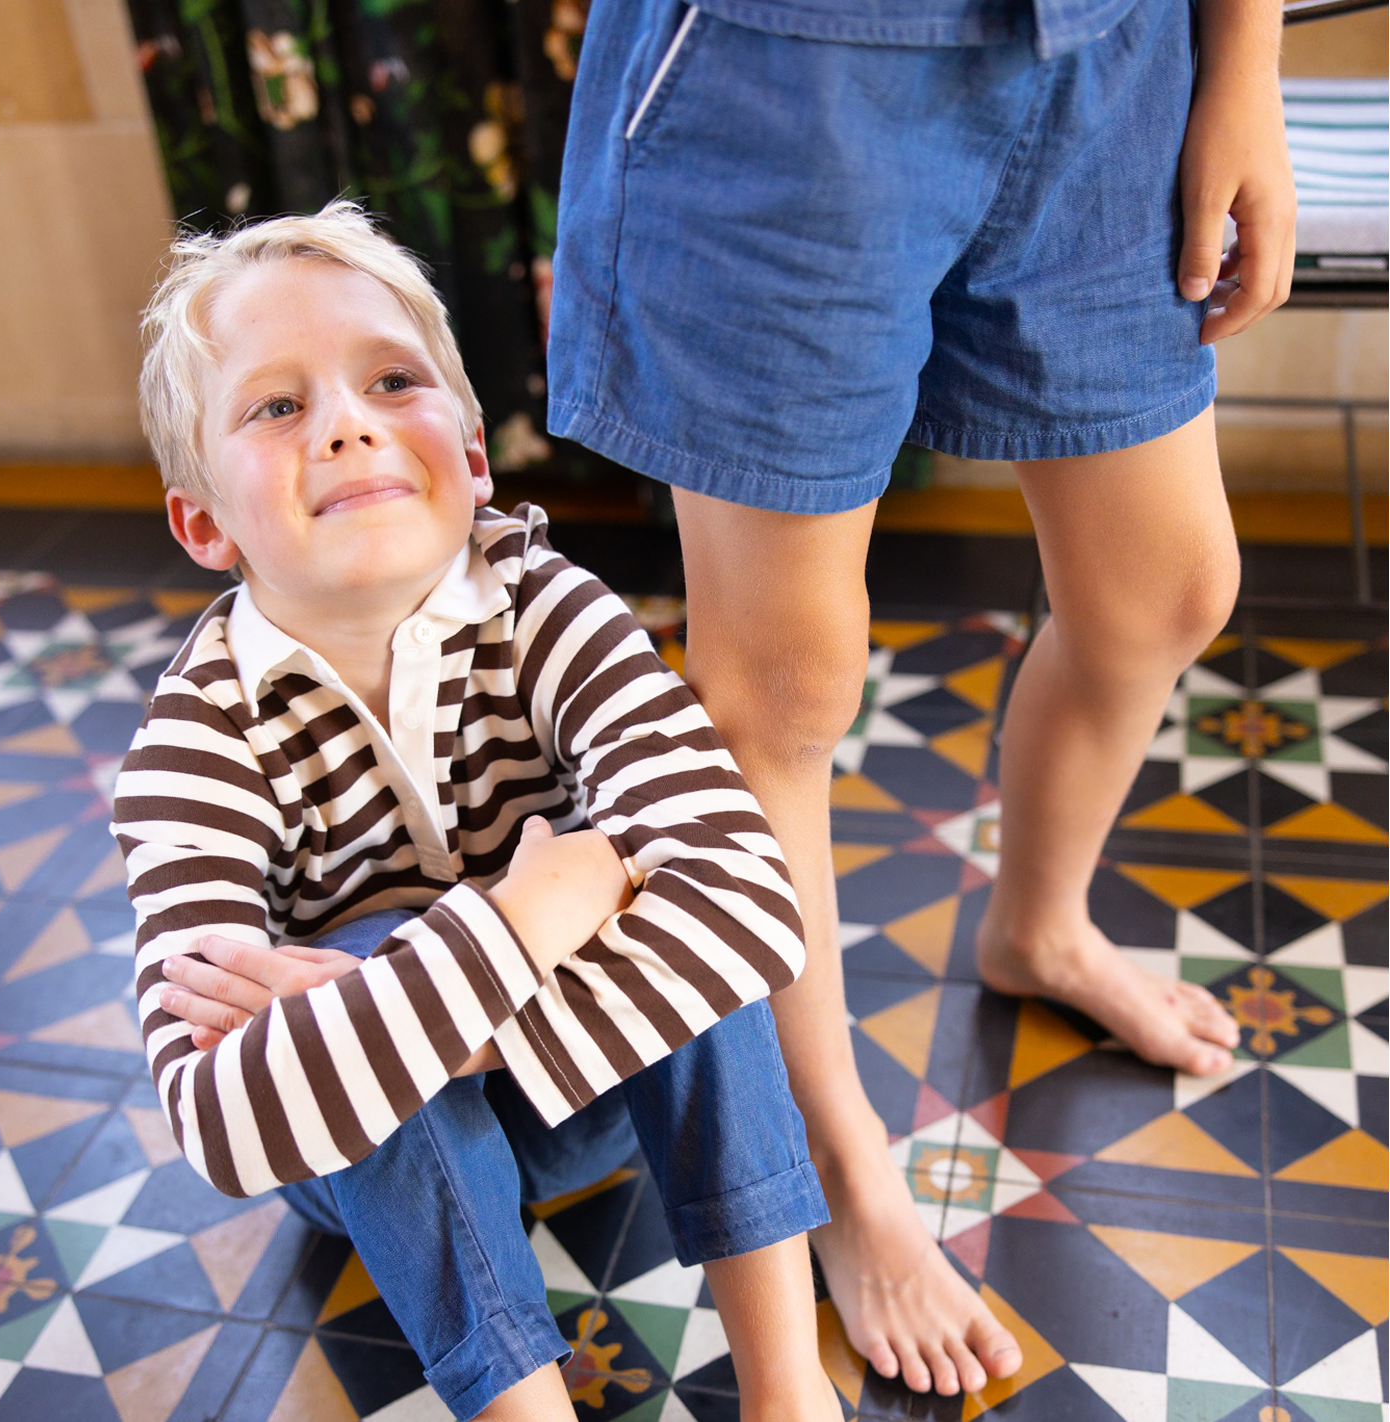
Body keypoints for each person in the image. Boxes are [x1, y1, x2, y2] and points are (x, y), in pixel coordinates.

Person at [546, 0, 1295, 1396]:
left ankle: (1040, 924)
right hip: (785, 75)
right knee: (781, 687)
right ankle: (834, 1164)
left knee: (1165, 589)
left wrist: (1242, 66)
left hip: (1112, 62)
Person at [112, 201, 841, 1422]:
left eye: (392, 381)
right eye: (277, 406)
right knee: (419, 950)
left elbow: (756, 916)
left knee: (663, 875)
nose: (346, 424)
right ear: (204, 522)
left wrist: (400, 1014)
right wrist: (521, 922)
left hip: (594, 1095)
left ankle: (789, 1390)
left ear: (474, 453)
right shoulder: (190, 746)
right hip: (363, 1159)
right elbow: (224, 1122)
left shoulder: (551, 609)